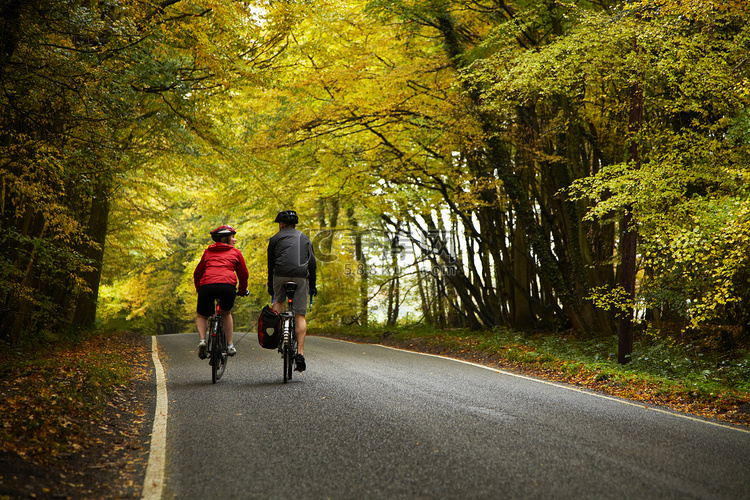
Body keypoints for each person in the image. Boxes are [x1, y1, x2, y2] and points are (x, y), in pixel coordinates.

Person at [267, 210, 317, 372]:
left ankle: (281, 334)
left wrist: (270, 285)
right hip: (301, 277)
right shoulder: (305, 238)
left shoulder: (275, 239)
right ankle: (300, 353)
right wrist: (312, 285)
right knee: (300, 314)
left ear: (281, 224)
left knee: (279, 302)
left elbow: (271, 265)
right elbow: (312, 265)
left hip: (280, 275)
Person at [194, 225, 249, 359]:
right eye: (232, 237)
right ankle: (230, 345)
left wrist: (199, 289)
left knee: (202, 316)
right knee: (226, 313)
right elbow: (243, 274)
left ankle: (202, 340)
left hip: (207, 286)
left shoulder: (207, 252)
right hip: (227, 287)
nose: (235, 240)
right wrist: (242, 290)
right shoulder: (235, 253)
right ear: (225, 239)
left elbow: (197, 273)